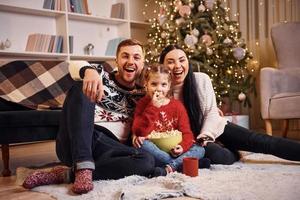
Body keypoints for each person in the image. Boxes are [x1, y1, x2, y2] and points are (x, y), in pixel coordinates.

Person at [22, 39, 159, 194]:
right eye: (125, 56)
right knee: (82, 86)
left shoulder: (144, 95)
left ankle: (69, 174)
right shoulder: (101, 75)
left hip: (110, 150)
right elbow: (74, 65)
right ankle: (83, 162)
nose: (130, 61)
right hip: (78, 140)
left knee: (147, 161)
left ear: (143, 63)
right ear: (116, 60)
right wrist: (90, 71)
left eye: (136, 57)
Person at [158, 44, 300, 164]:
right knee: (219, 156)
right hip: (193, 142)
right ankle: (236, 152)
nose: (178, 66)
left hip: (213, 128)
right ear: (163, 66)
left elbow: (211, 113)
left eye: (182, 60)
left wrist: (206, 135)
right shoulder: (160, 90)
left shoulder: (201, 80)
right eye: (170, 62)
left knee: (262, 142)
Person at [132, 64, 206, 174]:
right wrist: (153, 107)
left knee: (200, 149)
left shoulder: (177, 106)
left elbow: (187, 134)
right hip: (155, 149)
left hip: (174, 149)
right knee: (141, 144)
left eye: (163, 84)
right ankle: (181, 164)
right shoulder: (142, 104)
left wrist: (181, 147)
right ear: (146, 84)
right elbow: (139, 131)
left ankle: (169, 167)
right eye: (153, 84)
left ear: (169, 85)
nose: (159, 89)